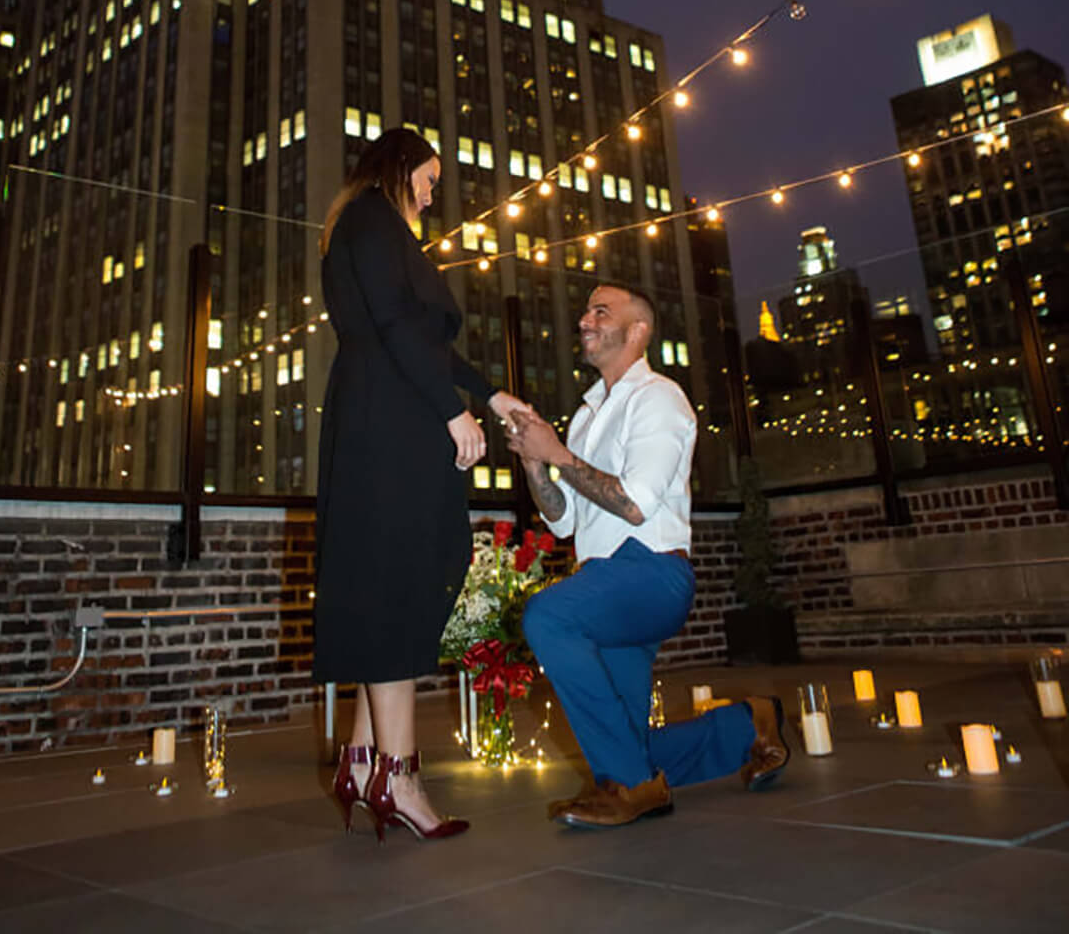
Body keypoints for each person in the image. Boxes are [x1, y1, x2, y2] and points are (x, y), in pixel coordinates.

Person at [506, 281, 788, 829]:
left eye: (601, 311)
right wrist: (535, 462)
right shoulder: (587, 416)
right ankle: (748, 726)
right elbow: (563, 519)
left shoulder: (660, 397)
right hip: (605, 583)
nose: (585, 319)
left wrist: (558, 454)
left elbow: (634, 505)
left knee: (547, 616)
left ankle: (632, 786)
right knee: (630, 747)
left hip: (652, 574)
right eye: (586, 309)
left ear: (639, 331)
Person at [314, 128, 528, 842]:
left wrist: (490, 395)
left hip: (386, 409)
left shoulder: (367, 226)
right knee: (400, 580)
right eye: (430, 178)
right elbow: (397, 329)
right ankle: (397, 775)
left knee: (391, 575)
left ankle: (361, 755)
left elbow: (421, 340)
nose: (435, 193)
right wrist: (452, 408)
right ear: (400, 166)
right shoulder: (374, 221)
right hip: (394, 418)